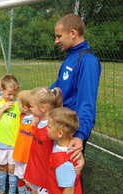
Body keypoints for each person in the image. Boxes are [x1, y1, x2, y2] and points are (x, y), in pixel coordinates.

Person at [51, 14, 101, 158]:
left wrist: (79, 135)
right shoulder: (71, 56)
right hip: (60, 124)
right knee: (56, 170)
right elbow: (59, 85)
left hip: (71, 130)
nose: (56, 41)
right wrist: (37, 96)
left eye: (59, 36)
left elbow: (87, 102)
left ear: (72, 33)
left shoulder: (87, 60)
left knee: (69, 176)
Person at [24, 87, 63, 194]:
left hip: (46, 175)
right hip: (36, 170)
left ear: (43, 108)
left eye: (32, 106)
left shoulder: (53, 127)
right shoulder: (41, 119)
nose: (30, 109)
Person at [0, 74, 21, 194]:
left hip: (15, 143)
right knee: (2, 167)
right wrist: (2, 109)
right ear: (1, 90)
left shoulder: (19, 104)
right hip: (2, 143)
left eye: (14, 94)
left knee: (12, 168)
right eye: (9, 94)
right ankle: (1, 190)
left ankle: (11, 193)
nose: (11, 97)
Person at [47, 107, 82, 194]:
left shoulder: (64, 163)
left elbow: (69, 190)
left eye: (49, 127)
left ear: (60, 133)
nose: (46, 128)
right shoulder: (60, 144)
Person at [12, 90, 34, 194]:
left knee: (29, 181)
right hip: (19, 154)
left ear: (25, 107)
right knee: (19, 177)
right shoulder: (22, 116)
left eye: (19, 103)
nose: (17, 104)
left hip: (29, 157)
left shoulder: (37, 121)